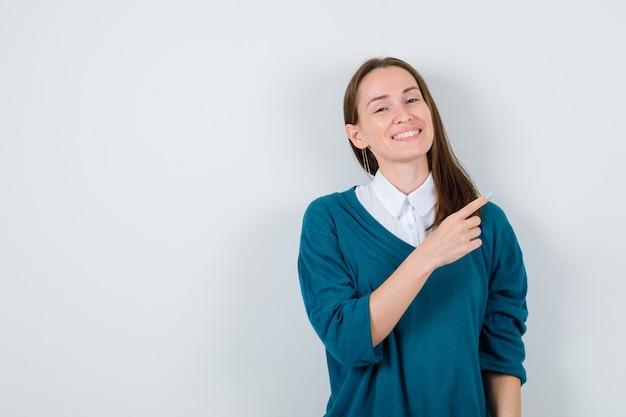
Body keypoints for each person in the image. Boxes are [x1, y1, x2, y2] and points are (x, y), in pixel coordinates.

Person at [297, 57, 528, 417]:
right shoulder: (328, 219)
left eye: (411, 99)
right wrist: (428, 255)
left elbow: (502, 351)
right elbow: (347, 339)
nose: (403, 114)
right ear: (357, 135)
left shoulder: (487, 223)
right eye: (381, 107)